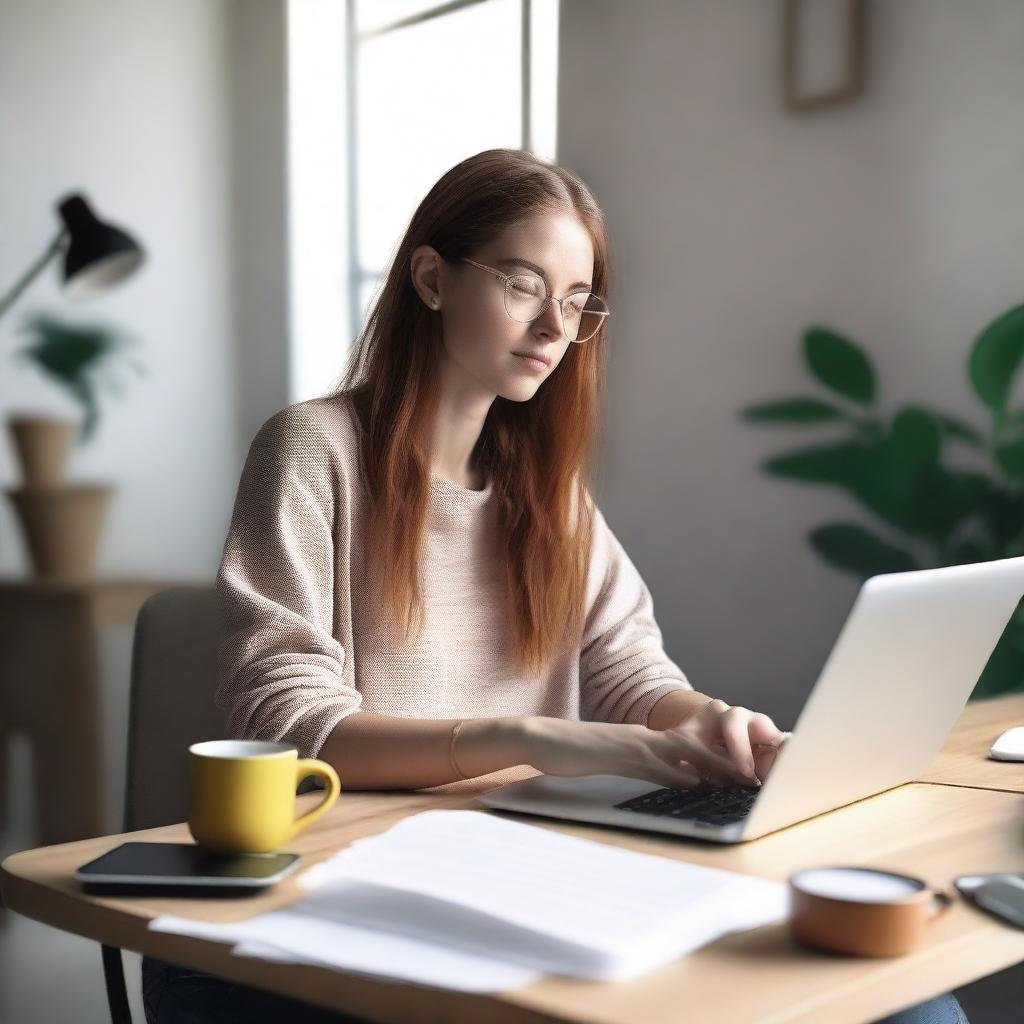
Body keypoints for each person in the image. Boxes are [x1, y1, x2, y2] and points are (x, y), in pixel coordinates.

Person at [142, 149, 969, 1024]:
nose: (552, 329)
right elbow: (288, 726)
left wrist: (700, 718)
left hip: (528, 873)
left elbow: (625, 669)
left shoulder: (546, 489)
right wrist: (534, 737)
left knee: (896, 999)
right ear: (431, 277)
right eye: (524, 285)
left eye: (576, 304)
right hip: (356, 893)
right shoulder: (313, 450)